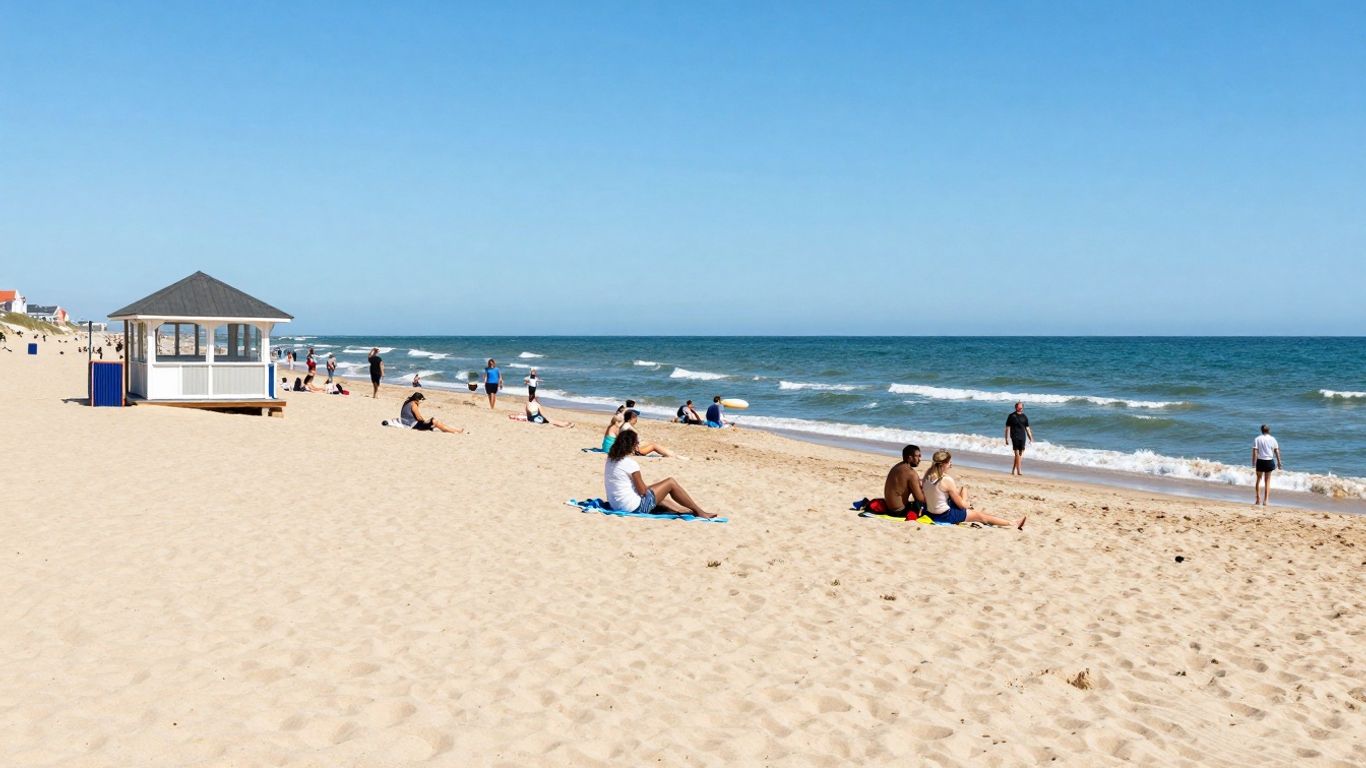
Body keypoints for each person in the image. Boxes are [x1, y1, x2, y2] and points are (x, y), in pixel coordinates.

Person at [604, 431, 715, 517]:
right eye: (637, 443)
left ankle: (683, 510)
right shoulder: (630, 464)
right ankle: (699, 512)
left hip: (616, 505)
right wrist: (649, 488)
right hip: (634, 508)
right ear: (632, 445)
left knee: (659, 492)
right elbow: (642, 492)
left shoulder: (610, 460)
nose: (638, 445)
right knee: (670, 483)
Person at [922, 450, 1025, 529]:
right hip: (945, 516)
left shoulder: (927, 475)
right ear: (942, 464)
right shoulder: (946, 480)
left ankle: (969, 510)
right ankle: (1013, 523)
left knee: (963, 490)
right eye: (949, 463)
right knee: (981, 516)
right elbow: (961, 505)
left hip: (931, 513)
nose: (951, 465)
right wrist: (967, 504)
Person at [883, 444, 928, 518]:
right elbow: (920, 499)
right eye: (918, 456)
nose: (920, 459)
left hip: (889, 508)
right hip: (899, 511)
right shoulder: (911, 474)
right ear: (910, 458)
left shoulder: (897, 467)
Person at [399, 392, 464, 433]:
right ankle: (456, 431)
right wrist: (424, 422)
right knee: (435, 421)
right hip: (413, 425)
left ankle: (453, 430)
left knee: (435, 423)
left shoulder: (407, 403)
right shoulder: (414, 404)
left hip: (406, 423)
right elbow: (419, 417)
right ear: (417, 399)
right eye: (421, 400)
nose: (422, 401)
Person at [1253, 424, 1283, 506]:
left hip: (1260, 461)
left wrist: (1253, 462)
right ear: (1269, 430)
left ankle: (1258, 499)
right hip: (1269, 461)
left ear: (1261, 430)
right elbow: (1276, 451)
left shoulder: (1257, 439)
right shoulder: (1273, 439)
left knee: (1258, 480)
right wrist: (1279, 462)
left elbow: (1255, 451)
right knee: (1267, 481)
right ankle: (1266, 500)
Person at [1005, 402, 1034, 476]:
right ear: (1016, 407)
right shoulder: (1011, 416)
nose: (1021, 408)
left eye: (1022, 407)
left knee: (1020, 454)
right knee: (1017, 453)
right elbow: (1007, 428)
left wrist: (1030, 437)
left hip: (1022, 437)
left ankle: (1013, 470)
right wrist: (1006, 438)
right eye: (1019, 407)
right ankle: (1019, 470)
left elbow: (1027, 428)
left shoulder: (1024, 416)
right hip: (1014, 436)